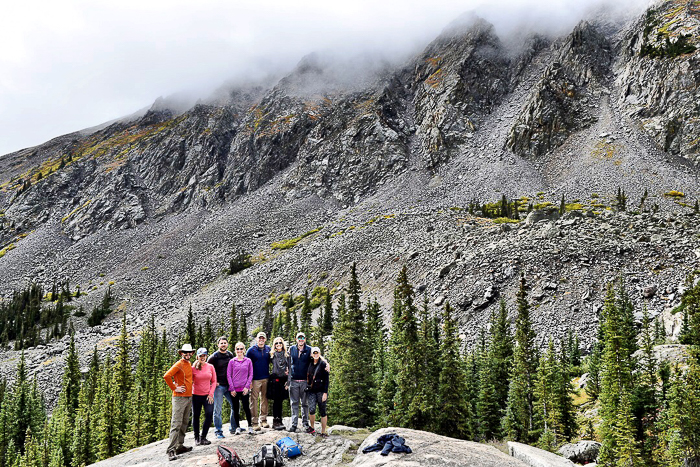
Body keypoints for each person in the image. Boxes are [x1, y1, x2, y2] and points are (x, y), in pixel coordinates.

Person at [163, 343, 194, 461]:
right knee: (176, 423)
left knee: (184, 422)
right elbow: (167, 376)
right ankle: (171, 450)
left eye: (189, 352)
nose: (187, 354)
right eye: (185, 353)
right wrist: (174, 387)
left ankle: (179, 446)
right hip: (179, 397)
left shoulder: (189, 363)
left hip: (188, 397)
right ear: (182, 353)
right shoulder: (179, 364)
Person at [207, 336, 235, 438]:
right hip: (218, 387)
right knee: (217, 410)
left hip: (229, 386)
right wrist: (212, 382)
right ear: (218, 345)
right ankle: (218, 431)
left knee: (235, 406)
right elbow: (206, 370)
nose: (223, 344)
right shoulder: (213, 357)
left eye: (225, 343)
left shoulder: (230, 355)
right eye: (221, 343)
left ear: (227, 344)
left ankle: (233, 428)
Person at [227, 341, 255, 435]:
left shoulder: (248, 361)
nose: (239, 350)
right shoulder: (232, 361)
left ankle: (250, 426)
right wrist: (232, 388)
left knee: (246, 407)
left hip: (244, 389)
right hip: (234, 389)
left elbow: (250, 374)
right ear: (235, 350)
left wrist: (247, 387)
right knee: (235, 408)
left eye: (241, 348)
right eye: (237, 349)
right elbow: (229, 375)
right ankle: (238, 427)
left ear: (244, 350)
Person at [191, 347, 217, 446]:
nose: (203, 357)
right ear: (197, 356)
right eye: (201, 355)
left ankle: (203, 437)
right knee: (196, 416)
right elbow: (189, 381)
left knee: (209, 414)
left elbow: (214, 381)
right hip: (196, 395)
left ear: (206, 356)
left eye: (204, 355)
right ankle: (196, 438)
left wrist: (211, 394)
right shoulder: (193, 368)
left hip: (207, 395)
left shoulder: (210, 367)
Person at [246, 331, 271, 430]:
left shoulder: (268, 349)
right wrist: (249, 381)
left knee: (264, 399)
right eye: (259, 338)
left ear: (265, 339)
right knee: (254, 400)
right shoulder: (251, 351)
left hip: (266, 378)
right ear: (256, 339)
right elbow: (247, 365)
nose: (261, 340)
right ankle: (254, 422)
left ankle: (263, 420)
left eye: (263, 338)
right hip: (255, 379)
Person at [288, 332, 312, 432]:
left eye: (302, 338)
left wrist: (326, 363)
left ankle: (305, 423)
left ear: (305, 339)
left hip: (305, 381)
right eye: (299, 338)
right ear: (296, 339)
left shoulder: (309, 349)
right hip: (293, 380)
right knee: (294, 403)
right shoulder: (291, 349)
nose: (301, 339)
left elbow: (317, 357)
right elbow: (287, 362)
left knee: (305, 404)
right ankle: (294, 424)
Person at [306, 347, 329, 438]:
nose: (315, 354)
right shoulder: (309, 363)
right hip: (311, 391)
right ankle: (312, 427)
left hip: (321, 391)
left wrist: (325, 393)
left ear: (319, 353)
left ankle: (323, 431)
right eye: (314, 353)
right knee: (311, 409)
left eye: (317, 353)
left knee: (322, 411)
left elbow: (327, 380)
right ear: (311, 354)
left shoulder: (323, 364)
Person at [268, 337, 290, 430]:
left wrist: (288, 382)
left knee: (280, 401)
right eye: (276, 343)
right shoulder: (272, 355)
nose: (278, 344)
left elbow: (290, 368)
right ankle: (275, 420)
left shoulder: (286, 355)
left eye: (280, 342)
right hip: (275, 380)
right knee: (276, 401)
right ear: (274, 345)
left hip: (283, 380)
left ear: (282, 344)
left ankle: (279, 419)